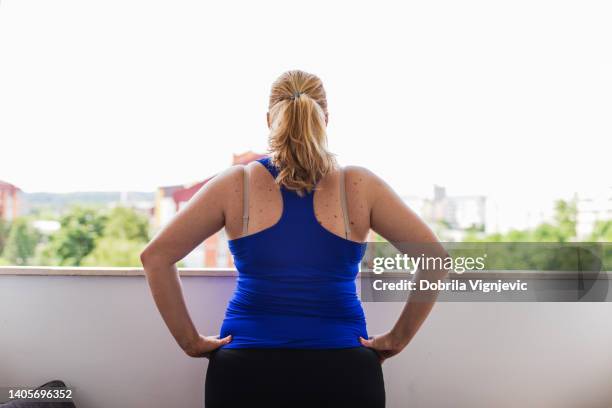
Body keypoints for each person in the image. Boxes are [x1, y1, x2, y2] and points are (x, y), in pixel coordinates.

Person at [140, 69, 448, 407]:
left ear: (269, 118)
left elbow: (156, 257)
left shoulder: (236, 184)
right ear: (325, 119)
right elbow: (436, 259)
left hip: (245, 372)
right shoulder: (360, 186)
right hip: (343, 371)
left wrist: (190, 342)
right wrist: (397, 339)